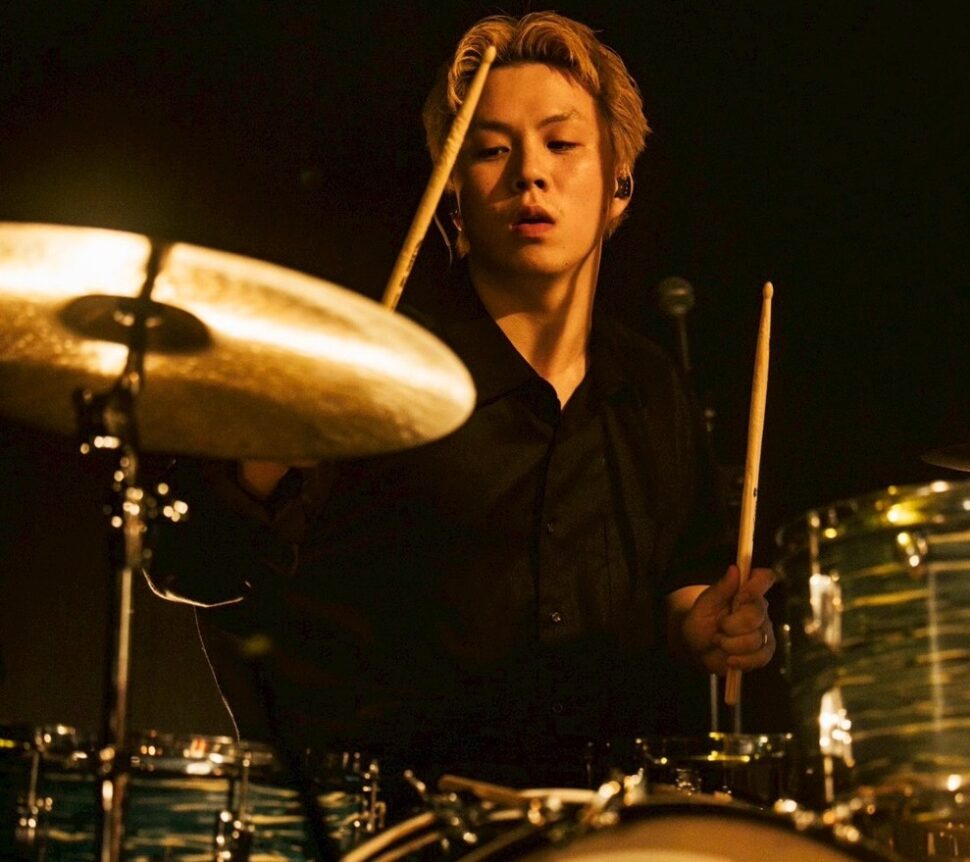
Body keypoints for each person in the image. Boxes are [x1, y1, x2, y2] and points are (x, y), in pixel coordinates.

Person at [150, 10, 775, 795]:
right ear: (454, 197)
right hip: (386, 825)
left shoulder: (651, 389)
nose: (529, 174)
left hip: (593, 826)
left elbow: (685, 579)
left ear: (619, 184)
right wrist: (270, 449)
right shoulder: (369, 364)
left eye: (562, 143)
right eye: (490, 149)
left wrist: (706, 628)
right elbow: (188, 563)